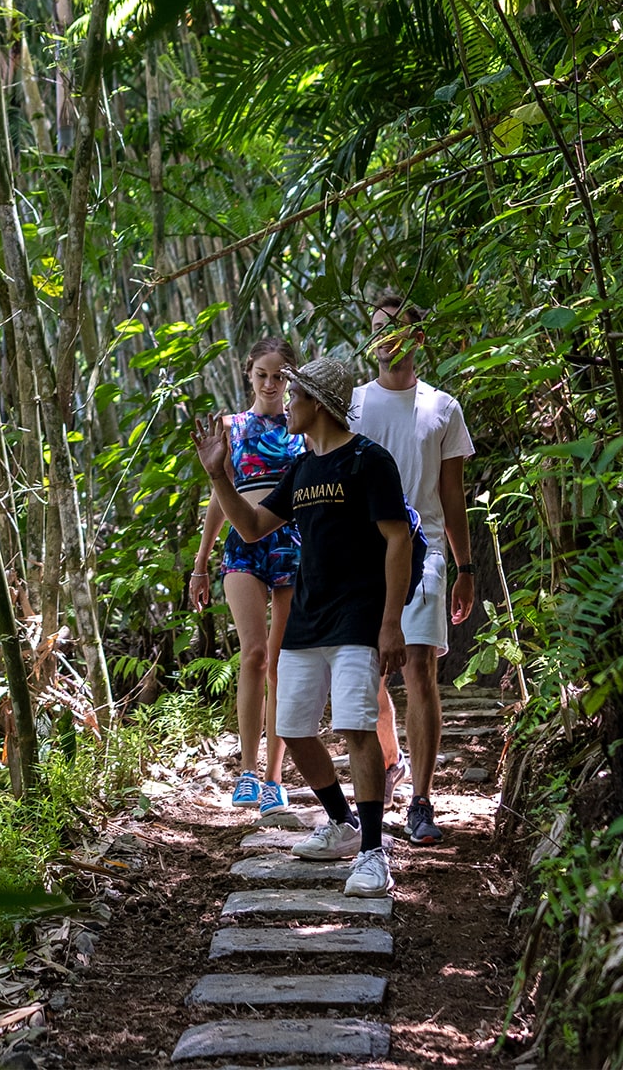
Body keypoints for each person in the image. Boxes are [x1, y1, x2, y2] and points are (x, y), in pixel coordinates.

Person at [193, 356, 411, 898]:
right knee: (292, 726)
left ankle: (373, 853)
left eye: (295, 396)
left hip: (357, 617)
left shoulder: (368, 460)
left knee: (356, 728)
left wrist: (390, 622)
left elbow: (398, 539)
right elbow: (251, 527)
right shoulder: (303, 468)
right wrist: (218, 474)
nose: (286, 404)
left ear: (318, 404)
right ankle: (341, 823)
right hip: (308, 620)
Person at [350, 294, 475, 846]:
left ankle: (421, 801)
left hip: (426, 552)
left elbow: (452, 494)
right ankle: (388, 761)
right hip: (362, 557)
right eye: (378, 328)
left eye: (396, 328)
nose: (386, 337)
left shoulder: (442, 407)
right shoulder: (352, 405)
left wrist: (466, 565)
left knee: (419, 668)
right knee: (366, 673)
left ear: (417, 338)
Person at [191, 337, 304, 818]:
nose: (270, 384)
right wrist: (201, 562)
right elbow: (221, 497)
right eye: (262, 375)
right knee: (253, 655)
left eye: (279, 376)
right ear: (249, 374)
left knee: (280, 662)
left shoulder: (302, 427)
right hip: (243, 548)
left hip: (293, 545)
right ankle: (247, 771)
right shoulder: (231, 427)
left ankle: (275, 779)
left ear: (290, 378)